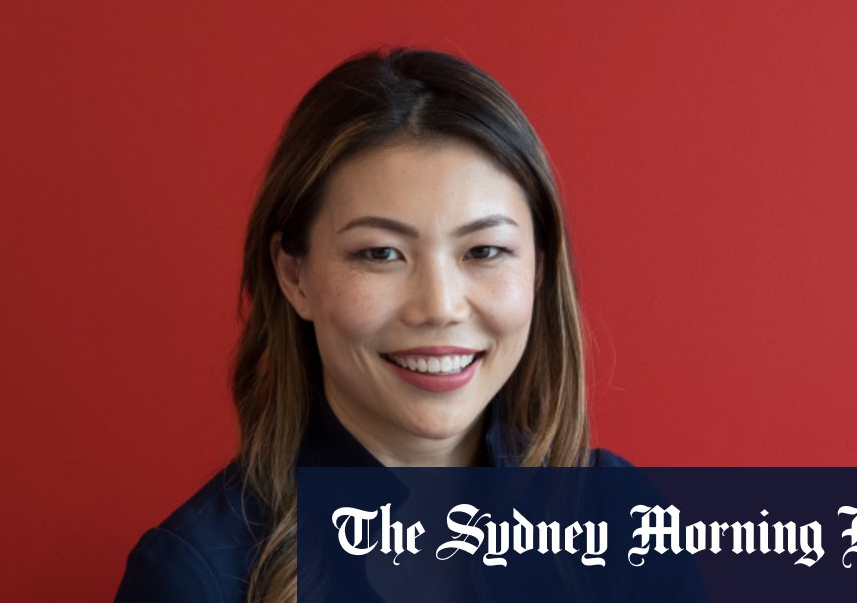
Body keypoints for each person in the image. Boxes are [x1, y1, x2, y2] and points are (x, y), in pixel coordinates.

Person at [115, 48, 699, 602]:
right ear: (294, 277)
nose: (439, 306)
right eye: (380, 253)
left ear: (539, 269)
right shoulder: (194, 576)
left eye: (484, 251)